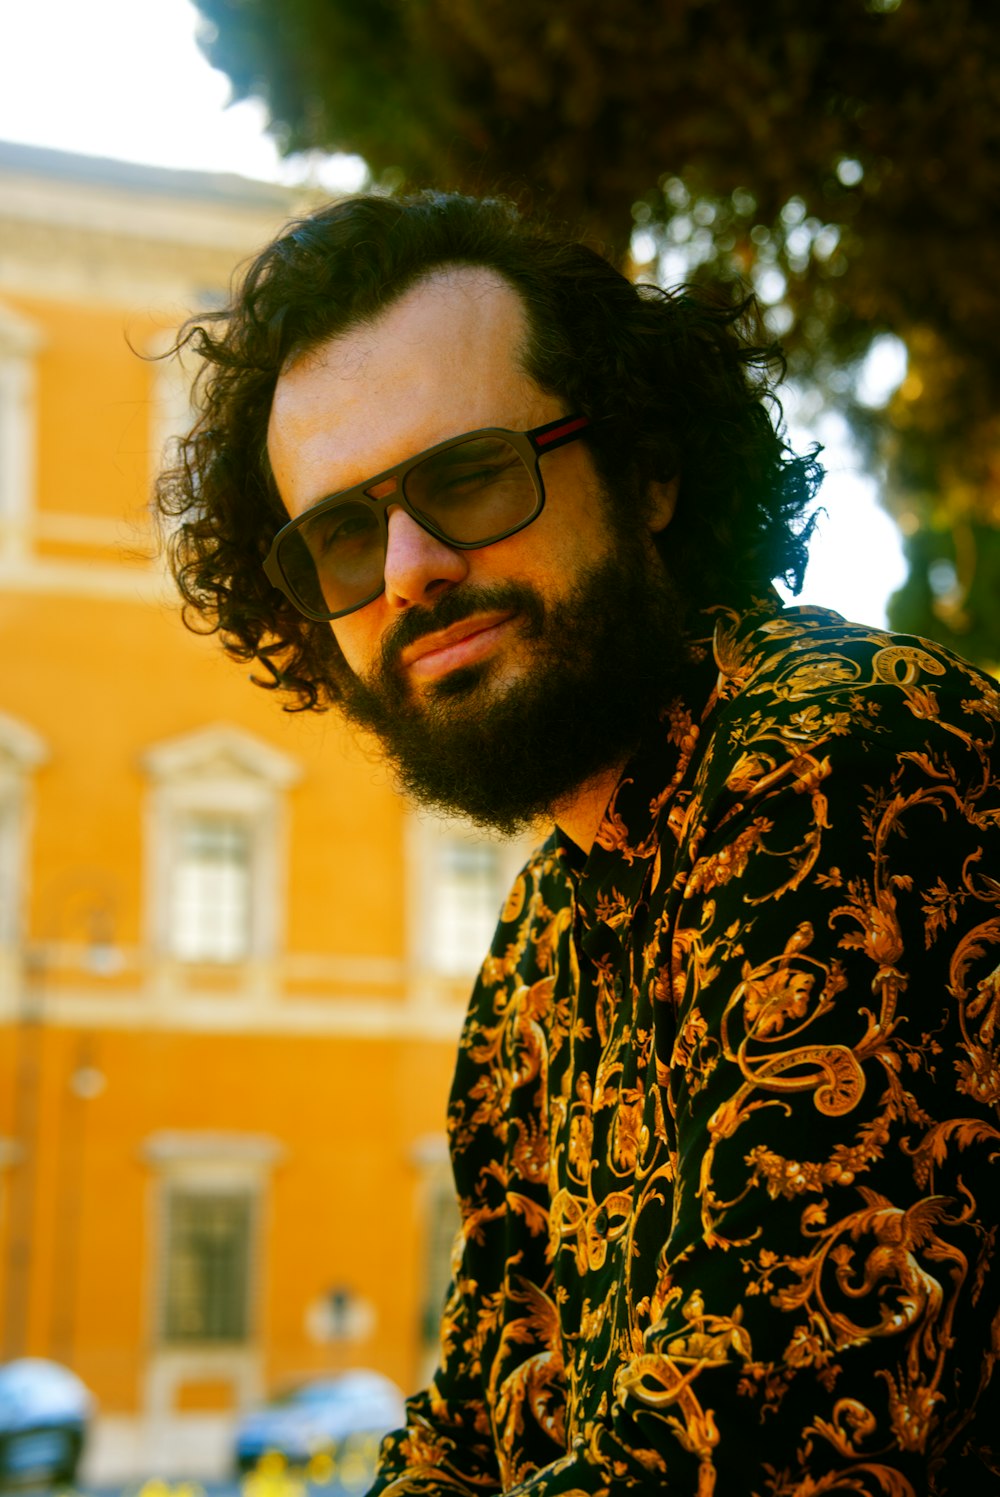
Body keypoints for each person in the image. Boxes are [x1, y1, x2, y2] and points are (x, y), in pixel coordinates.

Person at [155, 192, 999, 1496]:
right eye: (340, 536)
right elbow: (476, 1422)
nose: (409, 568)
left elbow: (744, 1437)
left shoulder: (836, 763)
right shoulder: (546, 938)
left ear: (648, 468)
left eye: (472, 475)